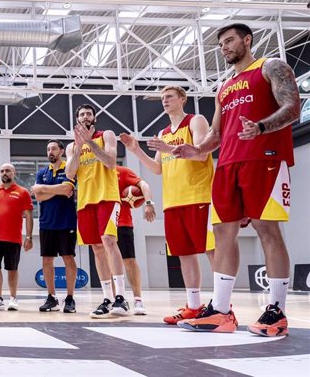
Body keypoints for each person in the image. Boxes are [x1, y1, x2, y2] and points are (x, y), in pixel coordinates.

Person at [174, 23, 300, 336]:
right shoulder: (225, 86)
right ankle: (220, 311)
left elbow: (292, 107)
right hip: (228, 163)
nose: (225, 47)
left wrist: (260, 127)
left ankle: (277, 310)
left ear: (247, 40)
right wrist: (196, 149)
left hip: (264, 157)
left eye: (229, 41)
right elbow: (215, 134)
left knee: (266, 228)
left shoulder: (270, 67)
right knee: (221, 231)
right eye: (221, 44)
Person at [120, 86, 215, 324]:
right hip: (173, 200)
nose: (164, 100)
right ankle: (193, 306)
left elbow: (202, 154)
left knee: (214, 251)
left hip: (199, 196)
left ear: (182, 99)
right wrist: (136, 150)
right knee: (184, 254)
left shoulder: (196, 121)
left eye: (169, 97)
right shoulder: (163, 133)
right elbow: (157, 168)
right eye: (162, 98)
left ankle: (222, 305)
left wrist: (170, 149)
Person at [66, 104, 129, 318]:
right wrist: (77, 149)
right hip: (85, 201)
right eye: (82, 114)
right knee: (97, 248)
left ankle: (121, 297)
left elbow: (111, 162)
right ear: (77, 119)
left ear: (95, 118)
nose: (85, 116)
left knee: (109, 241)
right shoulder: (72, 146)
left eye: (89, 114)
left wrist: (90, 142)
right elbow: (70, 174)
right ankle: (107, 298)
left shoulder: (106, 135)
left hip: (107, 196)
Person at [30, 139, 78, 313]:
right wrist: (54, 190)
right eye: (48, 149)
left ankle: (70, 298)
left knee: (68, 258)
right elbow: (39, 197)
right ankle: (51, 298)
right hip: (46, 222)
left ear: (62, 151)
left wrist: (43, 188)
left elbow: (67, 189)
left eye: (54, 149)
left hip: (67, 221)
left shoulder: (69, 168)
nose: (50, 152)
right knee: (47, 260)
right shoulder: (42, 172)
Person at [0, 163, 33, 311]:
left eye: (8, 171)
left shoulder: (22, 192)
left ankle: (13, 298)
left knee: (12, 269)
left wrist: (29, 237)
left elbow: (29, 216)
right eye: (2, 171)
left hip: (13, 238)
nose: (5, 173)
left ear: (14, 173)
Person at [115, 165, 156, 315]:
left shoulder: (123, 172)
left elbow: (144, 184)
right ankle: (115, 300)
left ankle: (138, 299)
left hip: (123, 222)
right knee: (107, 263)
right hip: (103, 222)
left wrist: (148, 202)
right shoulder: (95, 171)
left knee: (129, 261)